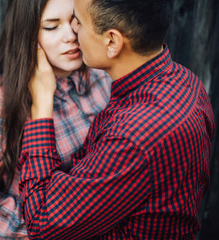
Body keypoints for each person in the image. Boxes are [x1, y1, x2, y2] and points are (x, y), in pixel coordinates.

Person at [18, 0, 215, 239]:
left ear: (112, 42)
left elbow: (42, 223)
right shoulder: (187, 82)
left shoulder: (133, 138)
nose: (73, 30)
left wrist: (40, 108)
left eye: (78, 21)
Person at [0, 0, 111, 239]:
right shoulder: (1, 98)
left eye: (75, 21)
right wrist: (31, 230)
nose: (70, 36)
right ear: (28, 34)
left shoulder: (100, 76)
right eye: (51, 26)